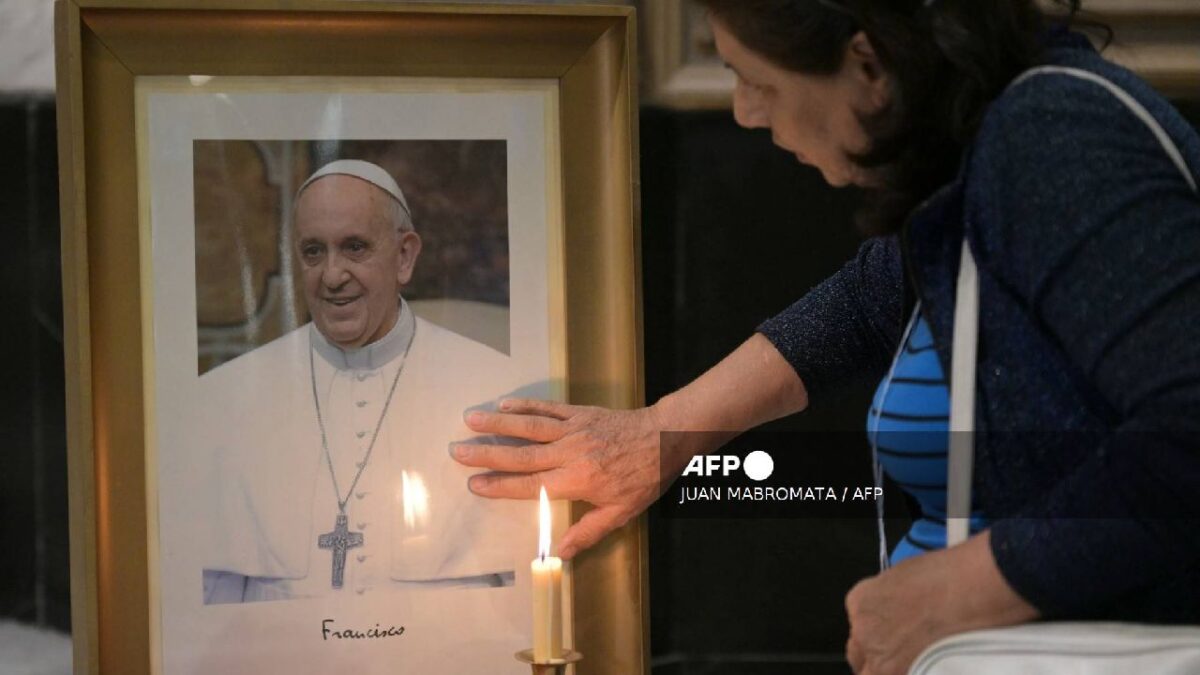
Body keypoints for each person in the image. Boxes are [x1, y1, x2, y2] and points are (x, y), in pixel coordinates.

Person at [452, 1, 1200, 673]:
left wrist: (952, 592)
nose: (744, 113)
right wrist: (661, 435)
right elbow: (871, 299)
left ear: (869, 64)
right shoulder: (977, 145)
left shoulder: (1054, 141)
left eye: (759, 82)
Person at [200, 159, 527, 604]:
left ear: (405, 256)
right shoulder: (226, 399)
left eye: (354, 247)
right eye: (313, 251)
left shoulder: (500, 391)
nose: (332, 276)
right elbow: (211, 604)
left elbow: (524, 596)